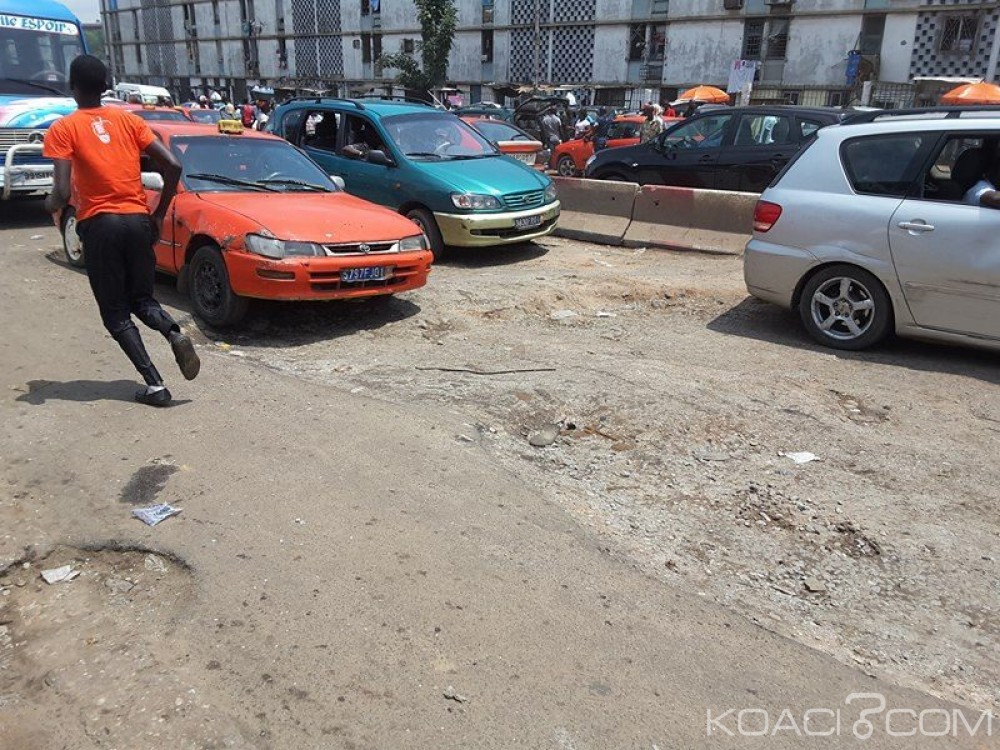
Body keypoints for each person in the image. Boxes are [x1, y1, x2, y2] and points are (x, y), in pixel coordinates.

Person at [43, 55, 199, 407]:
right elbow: (172, 165)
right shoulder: (128, 121)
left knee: (115, 312)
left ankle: (156, 385)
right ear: (105, 86)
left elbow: (63, 192)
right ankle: (173, 332)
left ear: (72, 86)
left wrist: (48, 203)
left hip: (101, 225)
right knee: (142, 299)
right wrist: (159, 214)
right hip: (138, 220)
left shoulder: (64, 128)